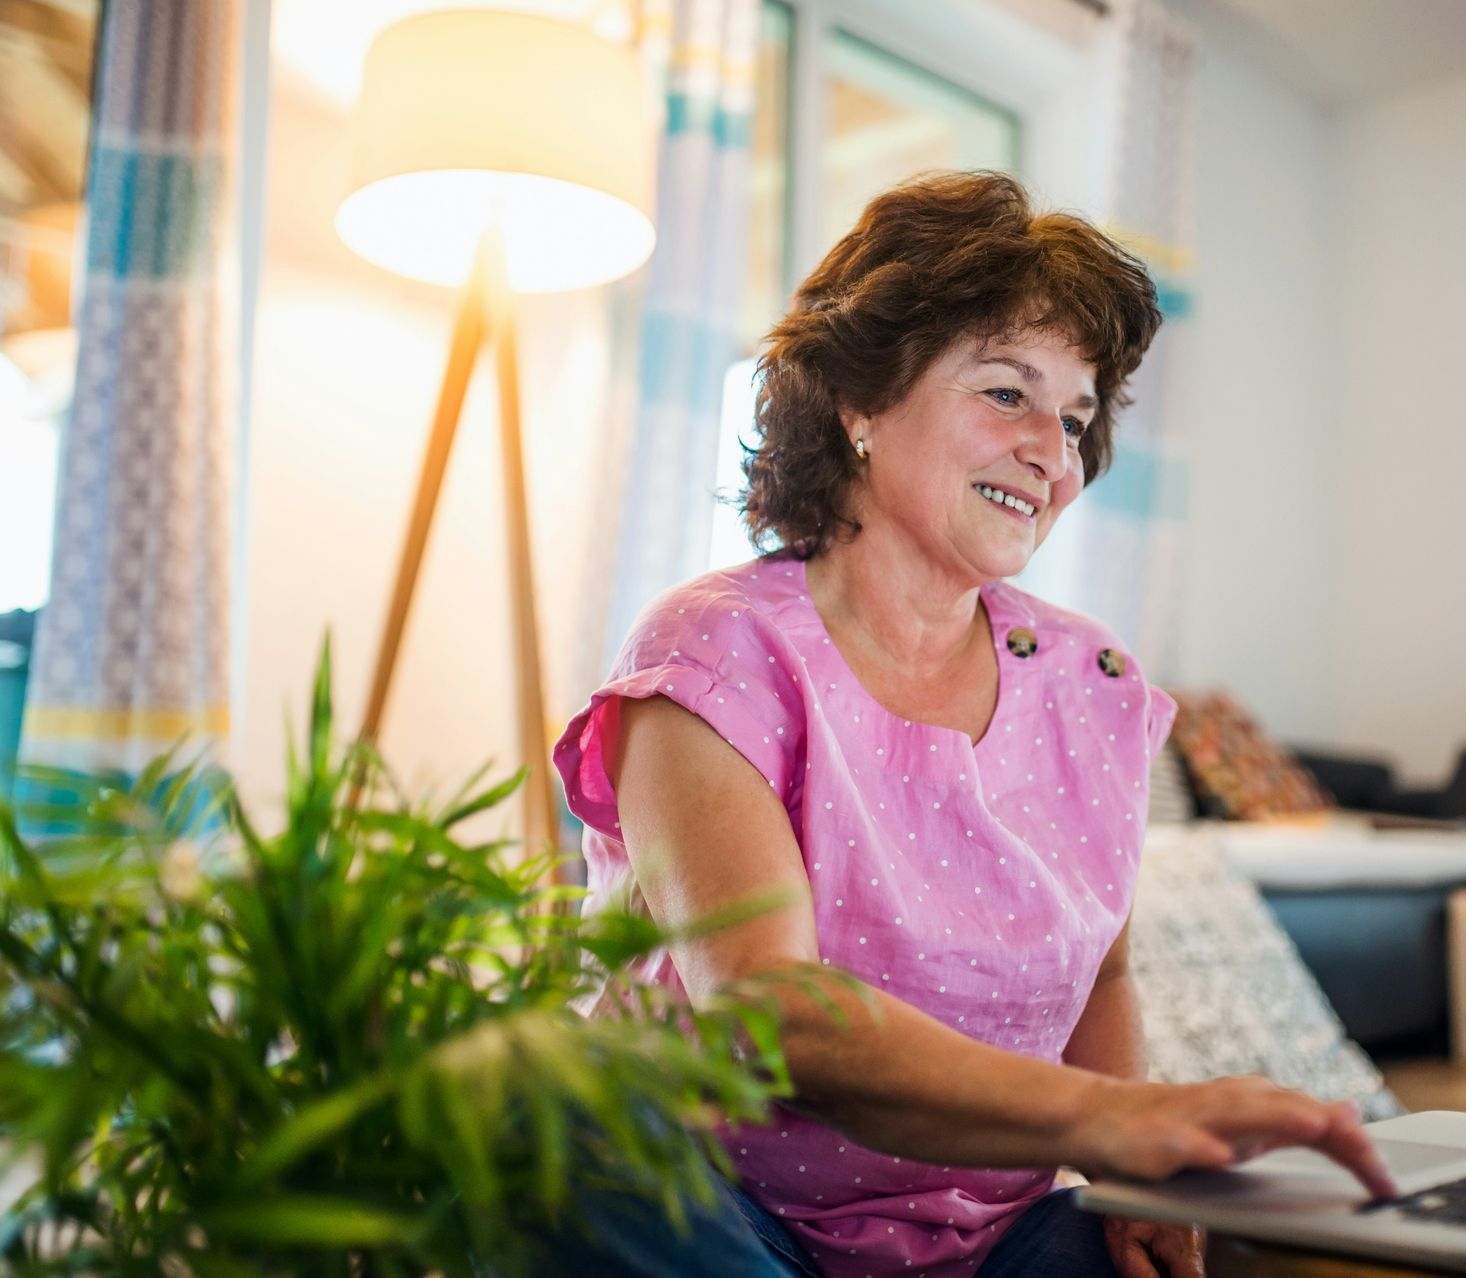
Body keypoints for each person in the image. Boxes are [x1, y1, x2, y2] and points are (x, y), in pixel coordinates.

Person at [550, 171, 1394, 1278]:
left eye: (1079, 417)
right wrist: (1099, 1122)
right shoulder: (713, 652)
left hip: (993, 1233)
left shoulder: (1095, 682)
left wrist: (1125, 1177)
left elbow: (1107, 978)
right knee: (552, 1146)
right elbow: (771, 1013)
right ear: (861, 400)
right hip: (715, 1207)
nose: (1056, 451)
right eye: (1007, 393)